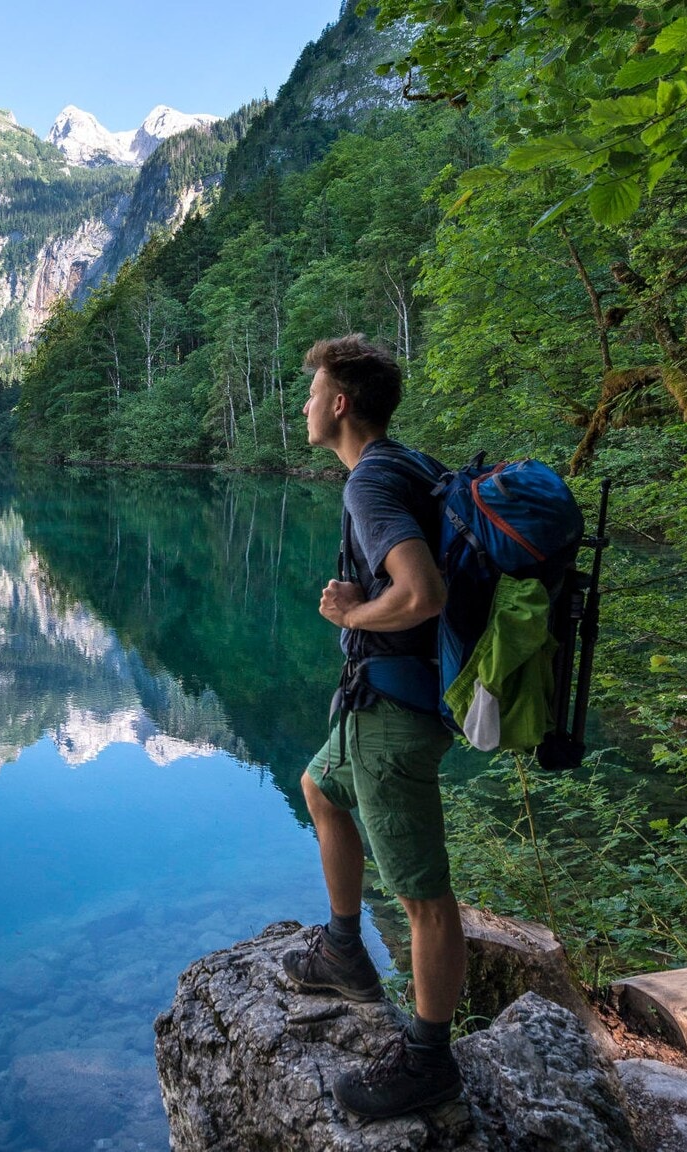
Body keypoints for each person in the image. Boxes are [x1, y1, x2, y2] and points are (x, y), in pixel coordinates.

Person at [282, 334, 464, 1119]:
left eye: (313, 392)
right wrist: (361, 604)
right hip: (377, 702)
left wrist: (357, 610)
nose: (304, 405)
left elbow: (422, 593)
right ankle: (346, 951)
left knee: (423, 897)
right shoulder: (403, 464)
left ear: (341, 404)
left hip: (395, 712)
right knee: (319, 786)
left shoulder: (370, 485)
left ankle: (429, 1059)